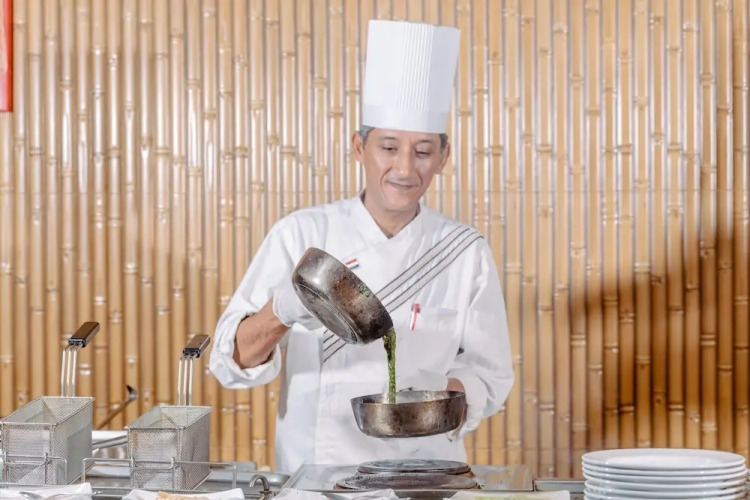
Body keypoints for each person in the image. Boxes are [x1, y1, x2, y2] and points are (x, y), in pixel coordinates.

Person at [209, 19, 514, 474]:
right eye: (388, 147)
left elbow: (491, 372)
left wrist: (440, 401)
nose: (405, 169)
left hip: (427, 473)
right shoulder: (301, 234)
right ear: (358, 147)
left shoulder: (463, 251)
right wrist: (283, 309)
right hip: (316, 475)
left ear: (443, 157)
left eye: (423, 151)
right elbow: (231, 362)